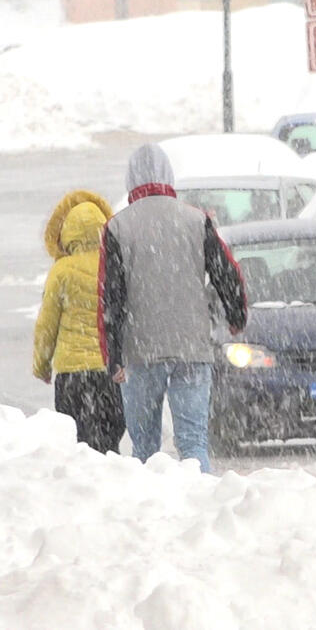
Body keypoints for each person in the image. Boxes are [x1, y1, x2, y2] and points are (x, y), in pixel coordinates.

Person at [99, 144, 247, 473]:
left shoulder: (118, 227)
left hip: (141, 352)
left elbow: (111, 297)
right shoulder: (197, 220)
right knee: (194, 441)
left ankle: (151, 511)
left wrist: (114, 355)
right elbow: (227, 273)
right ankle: (202, 505)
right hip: (191, 346)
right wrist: (236, 317)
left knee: (145, 446)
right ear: (168, 177)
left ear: (130, 180)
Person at [33, 191, 125, 453]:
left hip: (72, 374)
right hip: (109, 371)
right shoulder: (113, 264)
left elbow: (46, 324)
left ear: (66, 232)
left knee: (78, 443)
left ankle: (85, 486)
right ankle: (111, 483)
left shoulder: (61, 271)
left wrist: (41, 364)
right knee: (109, 441)